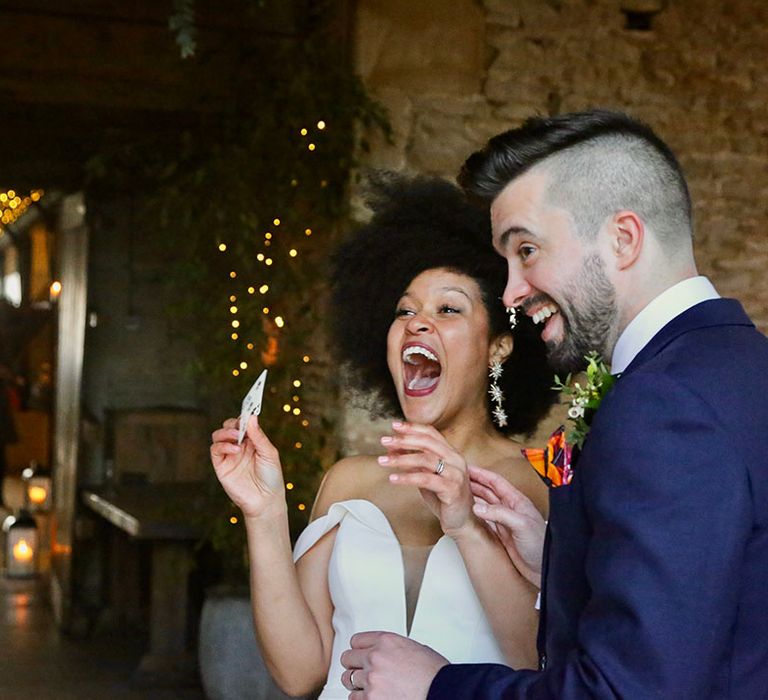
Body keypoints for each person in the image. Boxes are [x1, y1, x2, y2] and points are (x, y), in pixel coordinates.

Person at [339, 110, 768, 699]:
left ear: (622, 238)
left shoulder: (662, 405)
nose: (513, 291)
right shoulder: (743, 366)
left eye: (528, 250)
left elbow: (625, 692)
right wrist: (564, 563)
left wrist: (437, 686)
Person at [209, 174, 558, 699]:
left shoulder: (534, 485)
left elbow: (540, 665)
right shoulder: (349, 482)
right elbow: (299, 671)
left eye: (448, 309)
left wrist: (465, 525)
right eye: (405, 310)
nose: (417, 323)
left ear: (500, 348)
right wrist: (263, 514)